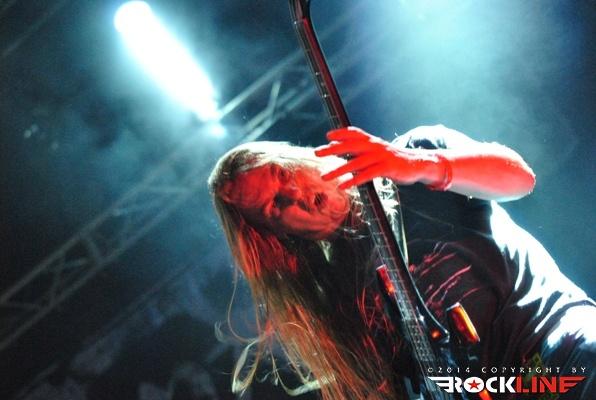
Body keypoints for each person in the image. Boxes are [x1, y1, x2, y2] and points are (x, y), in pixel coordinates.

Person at [207, 124, 595, 400]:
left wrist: (416, 164)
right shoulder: (338, 298)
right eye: (275, 205)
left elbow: (519, 179)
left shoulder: (413, 155)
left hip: (558, 342)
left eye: (282, 172)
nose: (294, 191)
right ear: (280, 238)